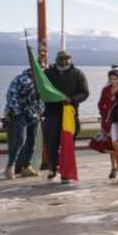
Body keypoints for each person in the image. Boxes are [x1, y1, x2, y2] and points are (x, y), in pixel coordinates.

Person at [43, 50, 89, 183]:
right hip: (52, 114)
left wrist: (73, 100)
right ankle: (53, 168)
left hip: (69, 115)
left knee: (67, 145)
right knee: (51, 143)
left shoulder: (78, 73)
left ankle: (66, 172)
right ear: (56, 60)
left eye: (67, 58)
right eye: (61, 59)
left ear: (71, 59)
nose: (64, 61)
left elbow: (84, 93)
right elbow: (43, 90)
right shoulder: (48, 73)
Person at [3, 67, 40, 179]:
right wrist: (17, 111)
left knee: (31, 142)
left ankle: (26, 166)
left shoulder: (42, 81)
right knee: (19, 140)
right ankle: (10, 166)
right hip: (21, 114)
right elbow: (11, 95)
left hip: (34, 114)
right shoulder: (20, 79)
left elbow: (42, 98)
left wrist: (41, 110)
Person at [96, 70, 118, 180]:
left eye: (115, 79)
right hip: (108, 121)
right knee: (110, 146)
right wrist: (105, 112)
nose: (113, 81)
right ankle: (113, 167)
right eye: (111, 79)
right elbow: (100, 104)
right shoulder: (105, 90)